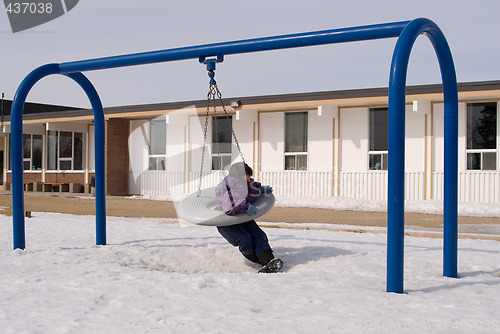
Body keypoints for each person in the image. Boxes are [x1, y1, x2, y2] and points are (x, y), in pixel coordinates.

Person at [215, 162, 283, 273]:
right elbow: (229, 206)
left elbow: (252, 188)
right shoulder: (226, 188)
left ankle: (268, 260)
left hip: (242, 217)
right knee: (245, 239)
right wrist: (245, 205)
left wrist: (260, 189)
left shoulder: (244, 183)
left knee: (259, 235)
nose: (249, 178)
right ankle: (260, 260)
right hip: (227, 222)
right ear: (240, 174)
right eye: (248, 175)